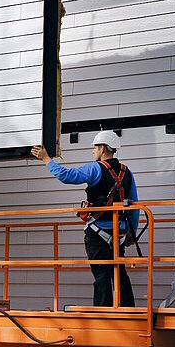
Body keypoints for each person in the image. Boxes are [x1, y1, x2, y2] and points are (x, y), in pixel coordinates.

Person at [31, 131, 139, 307]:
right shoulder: (127, 172)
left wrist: (46, 159)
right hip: (119, 233)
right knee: (119, 272)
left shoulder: (95, 169)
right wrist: (131, 233)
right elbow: (134, 206)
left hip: (98, 233)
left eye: (95, 147)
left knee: (101, 273)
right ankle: (128, 309)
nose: (93, 151)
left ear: (103, 148)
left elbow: (66, 176)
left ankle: (102, 312)